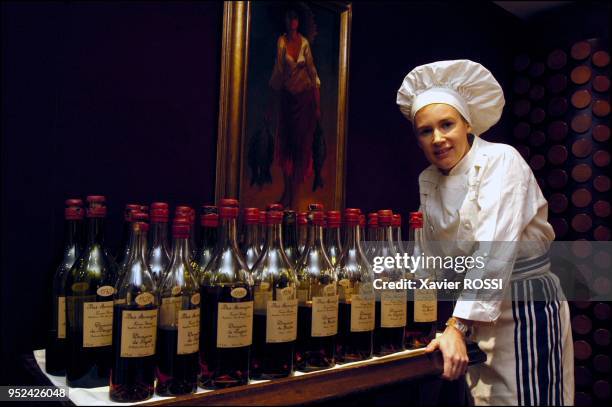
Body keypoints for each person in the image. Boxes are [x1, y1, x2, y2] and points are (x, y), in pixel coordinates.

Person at [396, 60, 574, 406]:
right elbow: (426, 258)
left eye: (447, 125)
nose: (438, 138)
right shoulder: (428, 180)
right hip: (471, 314)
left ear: (466, 124)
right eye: (425, 131)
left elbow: (494, 251)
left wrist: (457, 326)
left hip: (524, 307)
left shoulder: (501, 161)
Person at [268, 9, 321, 208]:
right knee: (286, 145)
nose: (292, 21)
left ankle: (295, 198)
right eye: (289, 17)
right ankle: (287, 193)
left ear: (299, 21)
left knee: (301, 147)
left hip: (305, 100)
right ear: (285, 19)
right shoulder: (281, 42)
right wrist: (270, 105)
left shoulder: (305, 43)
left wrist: (317, 105)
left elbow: (313, 73)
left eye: (295, 18)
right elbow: (278, 72)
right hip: (288, 100)